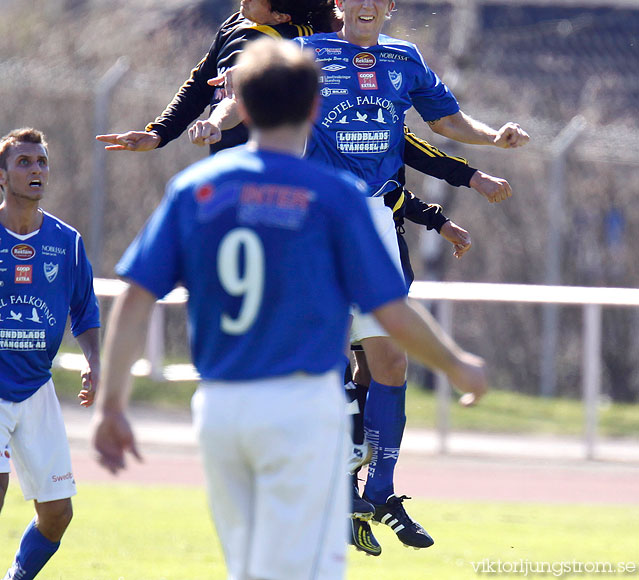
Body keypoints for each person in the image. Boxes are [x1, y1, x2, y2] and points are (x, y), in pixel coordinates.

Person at [91, 38, 487, 580]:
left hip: (223, 409)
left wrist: (112, 405)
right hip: (302, 403)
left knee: (251, 568)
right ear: (313, 108)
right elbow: (391, 312)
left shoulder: (195, 190)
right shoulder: (335, 196)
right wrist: (457, 364)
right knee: (309, 569)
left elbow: (135, 300)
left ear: (242, 108)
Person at [200, 0, 528, 551]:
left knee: (391, 363)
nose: (367, 3)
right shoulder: (313, 56)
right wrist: (214, 119)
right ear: (341, 1)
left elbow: (446, 121)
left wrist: (492, 137)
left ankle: (379, 485)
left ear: (391, 6)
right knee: (324, 361)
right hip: (315, 223)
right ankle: (327, 482)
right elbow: (249, 98)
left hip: (375, 221)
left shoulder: (405, 61)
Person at [95, 0, 337, 155]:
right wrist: (159, 132)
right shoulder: (234, 24)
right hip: (225, 163)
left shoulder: (296, 42)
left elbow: (237, 98)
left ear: (281, 16)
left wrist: (215, 122)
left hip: (271, 170)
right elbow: (200, 85)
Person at [0, 128, 100, 580]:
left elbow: (84, 310)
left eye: (41, 161)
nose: (36, 169)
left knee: (58, 514)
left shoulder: (68, 241)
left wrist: (94, 363)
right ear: (2, 176)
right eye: (24, 162)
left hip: (36, 387)